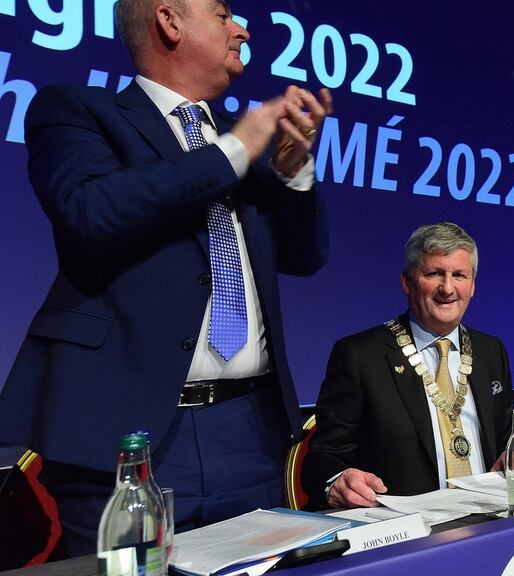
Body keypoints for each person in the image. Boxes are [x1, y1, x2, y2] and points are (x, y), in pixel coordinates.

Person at [0, 0, 331, 555]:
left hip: (249, 431)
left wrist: (294, 173)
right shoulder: (77, 111)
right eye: (224, 14)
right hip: (128, 436)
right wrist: (234, 150)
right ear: (169, 21)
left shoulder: (240, 139)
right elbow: (90, 212)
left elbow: (305, 255)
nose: (242, 29)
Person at [302, 223, 511, 509]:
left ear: (472, 286)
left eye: (459, 275)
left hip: (492, 519)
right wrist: (337, 480)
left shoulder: (491, 350)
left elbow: (506, 439)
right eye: (434, 273)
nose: (447, 288)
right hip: (406, 530)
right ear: (407, 282)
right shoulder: (360, 356)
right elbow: (322, 460)